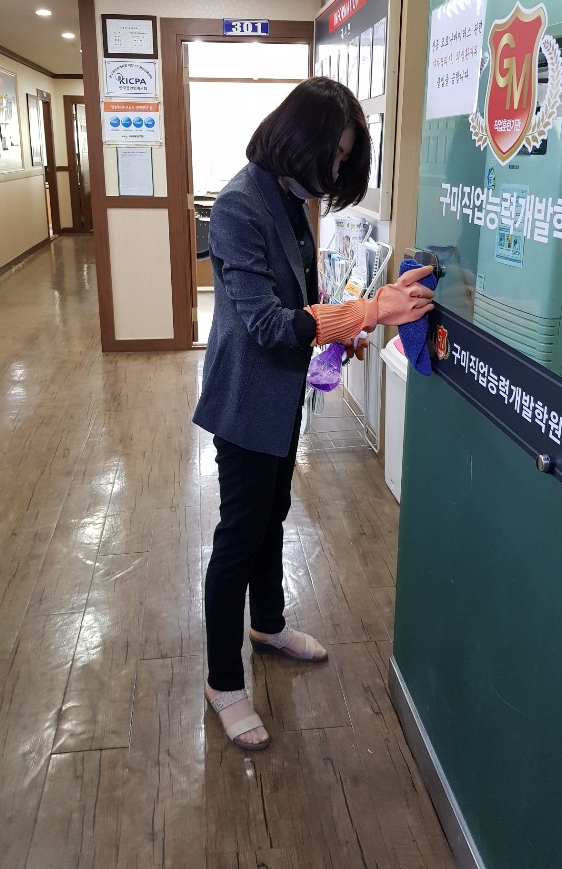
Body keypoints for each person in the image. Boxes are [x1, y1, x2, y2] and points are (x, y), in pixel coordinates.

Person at [193, 77, 434, 751]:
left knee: (272, 515)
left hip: (281, 392)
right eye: (333, 155)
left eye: (344, 158)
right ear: (297, 141)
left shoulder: (290, 197)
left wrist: (340, 329)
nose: (334, 171)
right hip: (246, 398)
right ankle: (222, 681)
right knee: (238, 536)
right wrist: (365, 312)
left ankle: (267, 624)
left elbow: (302, 294)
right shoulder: (238, 207)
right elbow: (269, 324)